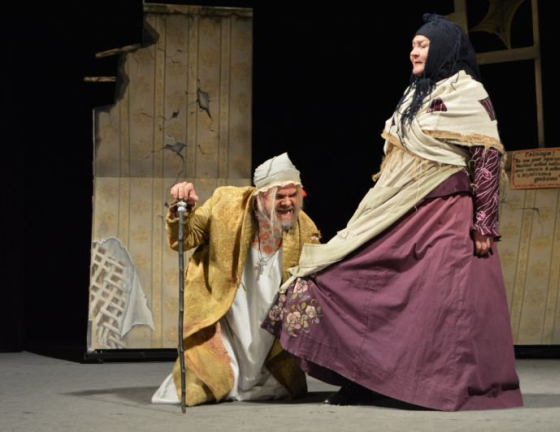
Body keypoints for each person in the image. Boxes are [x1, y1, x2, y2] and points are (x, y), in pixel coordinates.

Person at [263, 14, 523, 411]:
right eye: (413, 45)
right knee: (341, 279)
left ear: (443, 49)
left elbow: (486, 159)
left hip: (445, 216)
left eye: (422, 45)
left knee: (437, 304)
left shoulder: (468, 93)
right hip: (396, 210)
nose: (413, 52)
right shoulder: (413, 95)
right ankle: (361, 380)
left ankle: (431, 387)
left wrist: (484, 223)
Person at [152, 153, 321, 407]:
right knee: (195, 389)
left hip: (270, 322)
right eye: (280, 196)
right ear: (260, 195)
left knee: (284, 386)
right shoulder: (225, 204)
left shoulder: (306, 229)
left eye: (293, 195)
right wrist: (182, 210)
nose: (288, 203)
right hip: (225, 311)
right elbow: (185, 238)